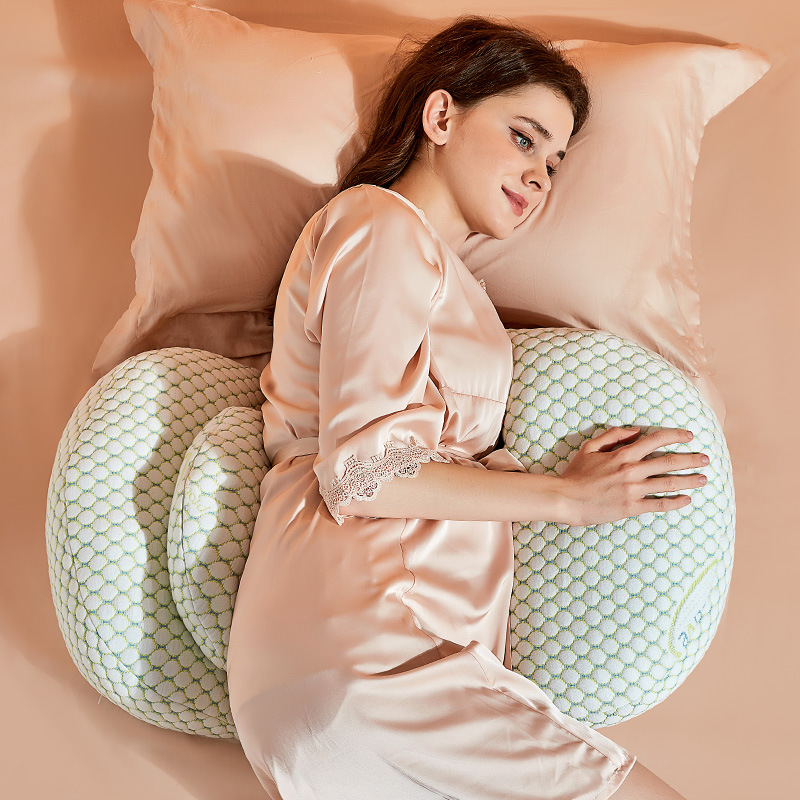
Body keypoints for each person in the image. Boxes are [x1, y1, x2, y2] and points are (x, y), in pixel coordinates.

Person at [227, 16, 706, 799]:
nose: (539, 177)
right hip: (376, 650)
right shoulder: (378, 226)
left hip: (344, 665)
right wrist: (570, 497)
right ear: (442, 116)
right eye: (523, 138)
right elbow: (363, 476)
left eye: (553, 163)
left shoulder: (440, 274)